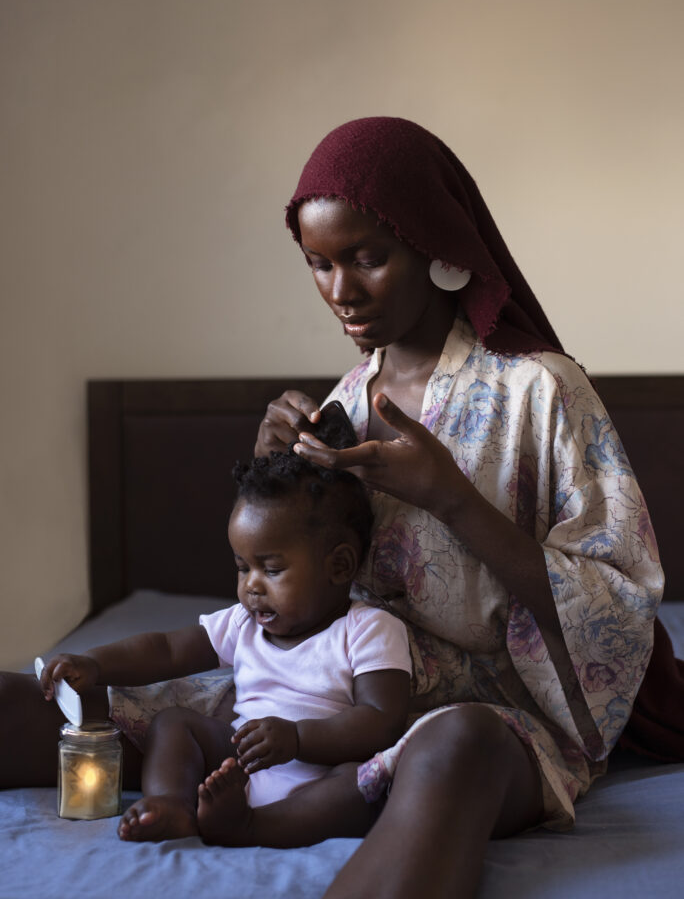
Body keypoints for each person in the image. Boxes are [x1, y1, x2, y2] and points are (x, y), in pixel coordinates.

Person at [241, 116, 664, 898]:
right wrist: (277, 474)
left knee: (452, 745)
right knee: (100, 694)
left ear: (434, 244)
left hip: (495, 715)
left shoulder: (540, 389)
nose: (342, 291)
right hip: (344, 699)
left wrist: (453, 499)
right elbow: (289, 593)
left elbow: (621, 601)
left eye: (368, 257)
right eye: (318, 264)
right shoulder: (340, 406)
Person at [36, 449, 412, 843]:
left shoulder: (368, 628)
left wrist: (298, 738)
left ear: (339, 566)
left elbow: (380, 720)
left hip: (321, 772)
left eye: (271, 569)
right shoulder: (243, 622)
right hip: (243, 762)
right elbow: (167, 649)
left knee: (363, 785)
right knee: (174, 722)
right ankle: (173, 805)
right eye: (242, 567)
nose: (251, 585)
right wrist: (95, 664)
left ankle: (254, 827)